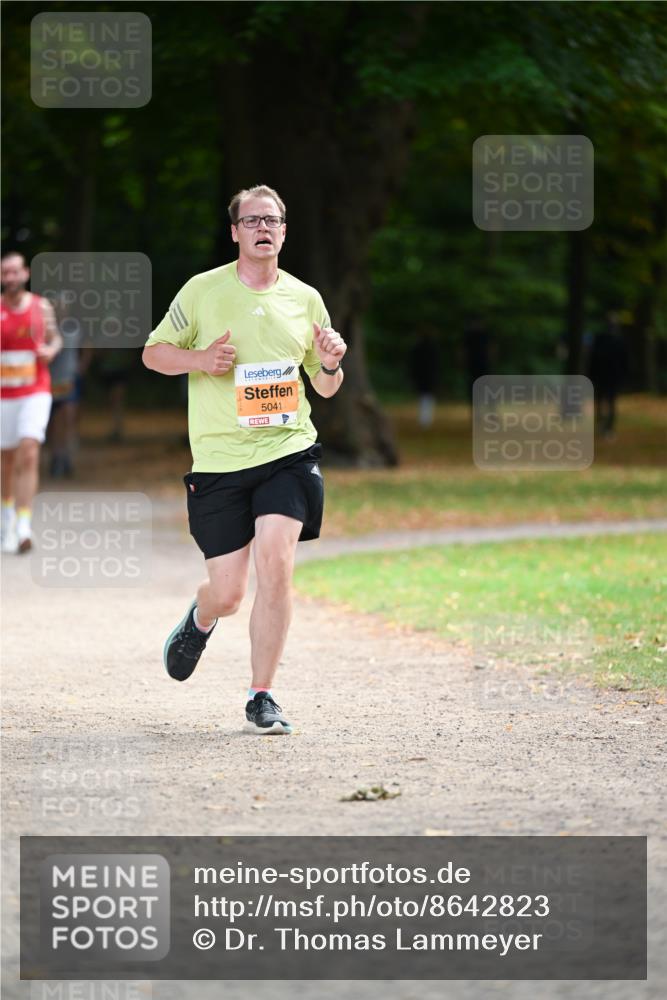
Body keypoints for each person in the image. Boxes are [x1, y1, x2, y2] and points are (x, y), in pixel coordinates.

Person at [142, 184, 346, 733]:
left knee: (276, 565)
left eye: (272, 220)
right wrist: (202, 359)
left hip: (288, 450)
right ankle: (201, 617)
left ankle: (262, 693)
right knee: (229, 593)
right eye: (251, 220)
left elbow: (325, 388)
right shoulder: (203, 291)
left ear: (283, 231)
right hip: (218, 460)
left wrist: (328, 365)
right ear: (234, 231)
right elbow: (153, 353)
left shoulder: (305, 299)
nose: (263, 228)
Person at [1, 251, 62, 553]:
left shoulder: (41, 307)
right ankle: (6, 519)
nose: (10, 278)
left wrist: (50, 351)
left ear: (25, 274)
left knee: (29, 450)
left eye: (15, 272)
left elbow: (56, 339)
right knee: (6, 460)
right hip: (4, 395)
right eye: (5, 273)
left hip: (35, 390)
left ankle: (24, 525)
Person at [587, 311, 628, 439]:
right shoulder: (601, 339)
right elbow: (593, 358)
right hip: (603, 376)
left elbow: (625, 361)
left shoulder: (618, 340)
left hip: (611, 377)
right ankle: (602, 424)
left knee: (609, 402)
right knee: (602, 401)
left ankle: (608, 427)